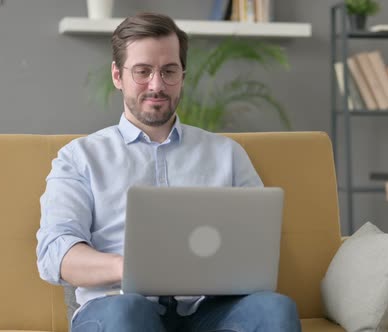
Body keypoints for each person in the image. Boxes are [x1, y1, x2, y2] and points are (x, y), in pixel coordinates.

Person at [36, 11, 301, 332]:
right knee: (129, 313)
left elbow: (258, 246)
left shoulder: (226, 154)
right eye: (143, 71)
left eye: (169, 71)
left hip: (210, 309)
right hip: (119, 305)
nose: (157, 85)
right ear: (117, 76)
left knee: (274, 309)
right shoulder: (80, 157)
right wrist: (132, 268)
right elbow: (56, 254)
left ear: (182, 75)